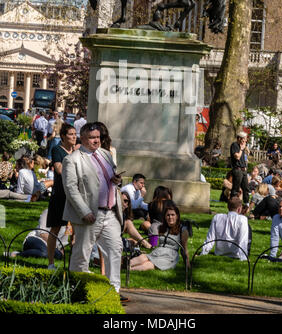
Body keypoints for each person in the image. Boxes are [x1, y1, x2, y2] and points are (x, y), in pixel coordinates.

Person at [61, 122, 124, 296]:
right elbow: (71, 189)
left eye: (98, 137)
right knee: (82, 254)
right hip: (89, 215)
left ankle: (114, 291)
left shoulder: (105, 154)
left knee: (115, 250)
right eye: (92, 138)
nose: (96, 141)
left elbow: (110, 177)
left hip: (110, 212)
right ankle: (75, 290)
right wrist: (84, 211)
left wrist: (116, 180)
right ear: (82, 138)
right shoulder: (72, 159)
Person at [46, 124, 77, 270]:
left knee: (77, 230)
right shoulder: (57, 150)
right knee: (56, 228)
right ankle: (51, 263)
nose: (74, 137)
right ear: (63, 136)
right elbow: (59, 169)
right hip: (60, 195)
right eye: (71, 134)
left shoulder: (77, 151)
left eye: (75, 134)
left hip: (76, 195)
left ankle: (74, 263)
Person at [130, 201, 190, 271]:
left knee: (149, 264)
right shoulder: (161, 227)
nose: (170, 217)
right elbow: (153, 241)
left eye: (173, 215)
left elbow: (184, 249)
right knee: (143, 257)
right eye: (168, 215)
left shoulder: (182, 230)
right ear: (165, 217)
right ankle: (124, 266)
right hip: (157, 252)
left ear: (177, 216)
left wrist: (187, 265)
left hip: (169, 256)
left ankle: (130, 270)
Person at [230, 131, 250, 210]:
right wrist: (241, 149)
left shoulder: (242, 145)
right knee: (236, 188)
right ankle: (232, 205)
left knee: (246, 188)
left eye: (245, 139)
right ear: (239, 138)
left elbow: (247, 153)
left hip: (243, 169)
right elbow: (237, 157)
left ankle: (247, 205)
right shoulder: (234, 145)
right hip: (237, 169)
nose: (245, 141)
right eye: (243, 139)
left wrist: (245, 148)